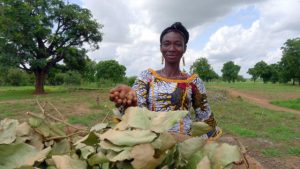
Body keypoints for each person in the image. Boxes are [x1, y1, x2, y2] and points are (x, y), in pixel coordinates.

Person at [109, 22, 219, 139]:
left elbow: (204, 117)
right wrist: (127, 101)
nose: (171, 49)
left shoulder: (193, 82)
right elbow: (137, 111)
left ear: (184, 48)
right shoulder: (146, 77)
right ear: (161, 47)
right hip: (150, 142)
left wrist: (199, 145)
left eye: (178, 44)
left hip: (183, 144)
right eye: (166, 44)